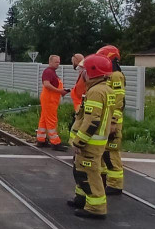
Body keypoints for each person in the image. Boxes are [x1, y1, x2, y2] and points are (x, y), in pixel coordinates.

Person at [67, 54, 114, 219]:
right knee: (82, 170)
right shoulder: (105, 89)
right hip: (95, 141)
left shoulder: (96, 92)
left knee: (88, 173)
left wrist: (79, 142)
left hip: (89, 143)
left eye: (84, 71)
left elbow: (91, 120)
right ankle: (82, 198)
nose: (82, 74)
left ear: (93, 71)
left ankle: (96, 207)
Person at [97, 45, 126, 195]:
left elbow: (119, 101)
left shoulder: (116, 76)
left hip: (113, 122)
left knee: (111, 154)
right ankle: (105, 181)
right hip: (106, 120)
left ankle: (115, 185)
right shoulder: (109, 75)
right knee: (103, 152)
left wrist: (114, 121)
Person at [36, 55, 69, 151]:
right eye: (56, 62)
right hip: (49, 99)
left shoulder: (51, 72)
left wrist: (61, 91)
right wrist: (60, 91)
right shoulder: (48, 72)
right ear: (50, 62)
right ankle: (55, 142)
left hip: (50, 99)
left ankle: (41, 140)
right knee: (51, 120)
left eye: (59, 62)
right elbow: (46, 84)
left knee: (44, 119)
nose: (58, 63)